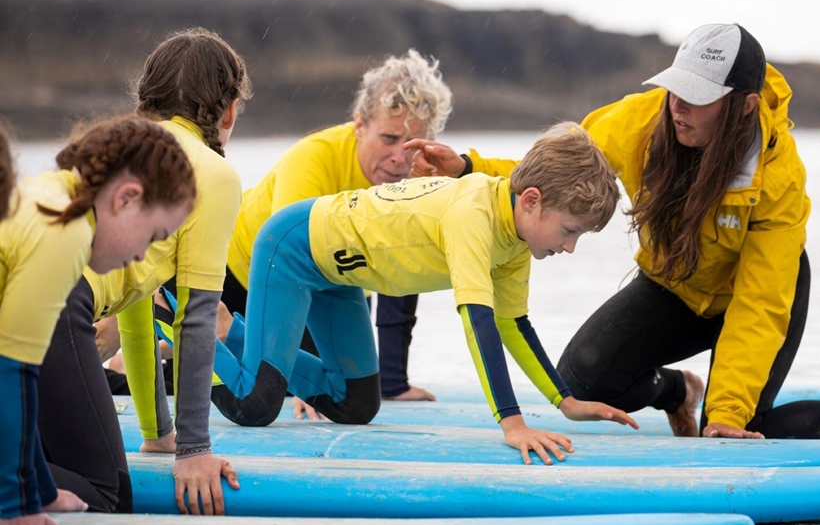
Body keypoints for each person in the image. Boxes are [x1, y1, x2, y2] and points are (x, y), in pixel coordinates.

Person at [407, 23, 820, 441]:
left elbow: (761, 301)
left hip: (755, 298)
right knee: (583, 380)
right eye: (675, 89)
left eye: (697, 96)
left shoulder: (779, 178)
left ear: (743, 105)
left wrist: (725, 411)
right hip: (675, 284)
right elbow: (555, 174)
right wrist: (469, 168)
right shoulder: (640, 121)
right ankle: (679, 390)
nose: (677, 106)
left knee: (739, 431)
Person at [210, 122, 639, 465]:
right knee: (255, 405)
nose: (569, 247)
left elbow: (513, 324)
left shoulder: (514, 240)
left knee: (356, 405)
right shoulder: (474, 213)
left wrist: (564, 401)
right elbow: (478, 322)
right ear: (531, 200)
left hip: (337, 275)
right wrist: (513, 424)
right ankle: (197, 332)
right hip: (293, 247)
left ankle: (232, 331)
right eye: (569, 231)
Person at [36, 28, 252, 519]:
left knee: (46, 462)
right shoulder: (212, 173)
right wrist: (194, 450)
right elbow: (195, 319)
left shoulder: (111, 142)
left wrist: (159, 434)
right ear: (230, 109)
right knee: (103, 494)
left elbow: (138, 304)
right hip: (52, 299)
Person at [1, 116, 196, 525]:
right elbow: (11, 375)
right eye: (152, 236)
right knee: (101, 502)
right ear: (126, 199)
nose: (144, 255)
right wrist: (16, 505)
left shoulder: (50, 195)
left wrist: (42, 490)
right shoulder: (65, 232)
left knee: (90, 496)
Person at [224, 49, 453, 414]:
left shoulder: (418, 173)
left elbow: (401, 273)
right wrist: (307, 383)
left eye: (412, 144)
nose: (400, 158)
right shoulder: (313, 157)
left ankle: (174, 348)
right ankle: (179, 337)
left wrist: (393, 382)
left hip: (325, 282)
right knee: (268, 389)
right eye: (389, 138)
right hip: (239, 276)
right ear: (359, 125)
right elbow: (289, 266)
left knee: (354, 398)